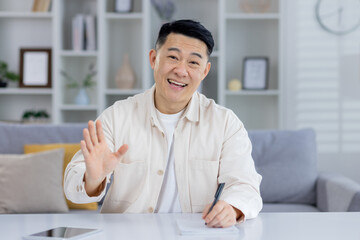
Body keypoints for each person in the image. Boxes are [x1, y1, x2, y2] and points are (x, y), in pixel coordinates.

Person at [64, 19, 262, 228]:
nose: (181, 70)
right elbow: (72, 189)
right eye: (173, 57)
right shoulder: (117, 116)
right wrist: (93, 179)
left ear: (205, 71)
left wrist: (232, 208)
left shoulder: (225, 123)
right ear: (153, 58)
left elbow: (246, 185)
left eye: (193, 62)